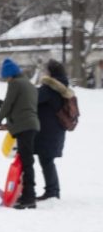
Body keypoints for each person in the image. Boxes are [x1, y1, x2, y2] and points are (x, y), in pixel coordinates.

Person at [0, 58, 39, 209]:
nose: (7, 80)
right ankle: (27, 194)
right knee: (26, 160)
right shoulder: (29, 85)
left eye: (7, 77)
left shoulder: (15, 83)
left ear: (10, 74)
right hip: (31, 125)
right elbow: (22, 107)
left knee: (26, 161)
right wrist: (9, 124)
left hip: (24, 127)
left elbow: (8, 104)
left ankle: (29, 197)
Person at [34, 59, 74, 201]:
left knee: (46, 161)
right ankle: (53, 190)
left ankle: (52, 191)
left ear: (50, 72)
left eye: (45, 70)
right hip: (56, 131)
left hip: (47, 132)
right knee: (47, 160)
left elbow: (31, 99)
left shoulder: (49, 88)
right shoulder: (62, 87)